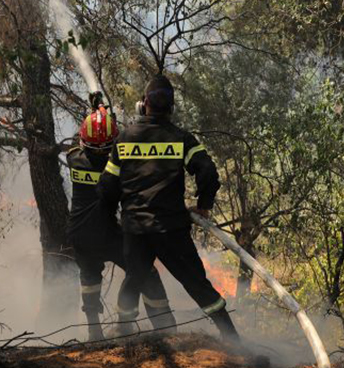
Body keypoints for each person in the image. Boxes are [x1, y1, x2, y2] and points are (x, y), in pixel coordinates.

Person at [99, 74, 240, 342]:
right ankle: (232, 339)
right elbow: (208, 171)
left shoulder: (124, 139)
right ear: (171, 108)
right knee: (197, 285)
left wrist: (112, 221)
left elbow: (107, 187)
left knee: (133, 281)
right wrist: (204, 206)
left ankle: (123, 337)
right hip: (171, 229)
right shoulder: (181, 139)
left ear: (143, 105)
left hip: (136, 230)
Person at [66, 105, 177, 341]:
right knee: (145, 271)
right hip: (107, 233)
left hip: (79, 234)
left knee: (89, 278)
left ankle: (94, 333)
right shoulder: (118, 167)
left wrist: (96, 117)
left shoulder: (74, 158)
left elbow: (81, 141)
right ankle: (164, 326)